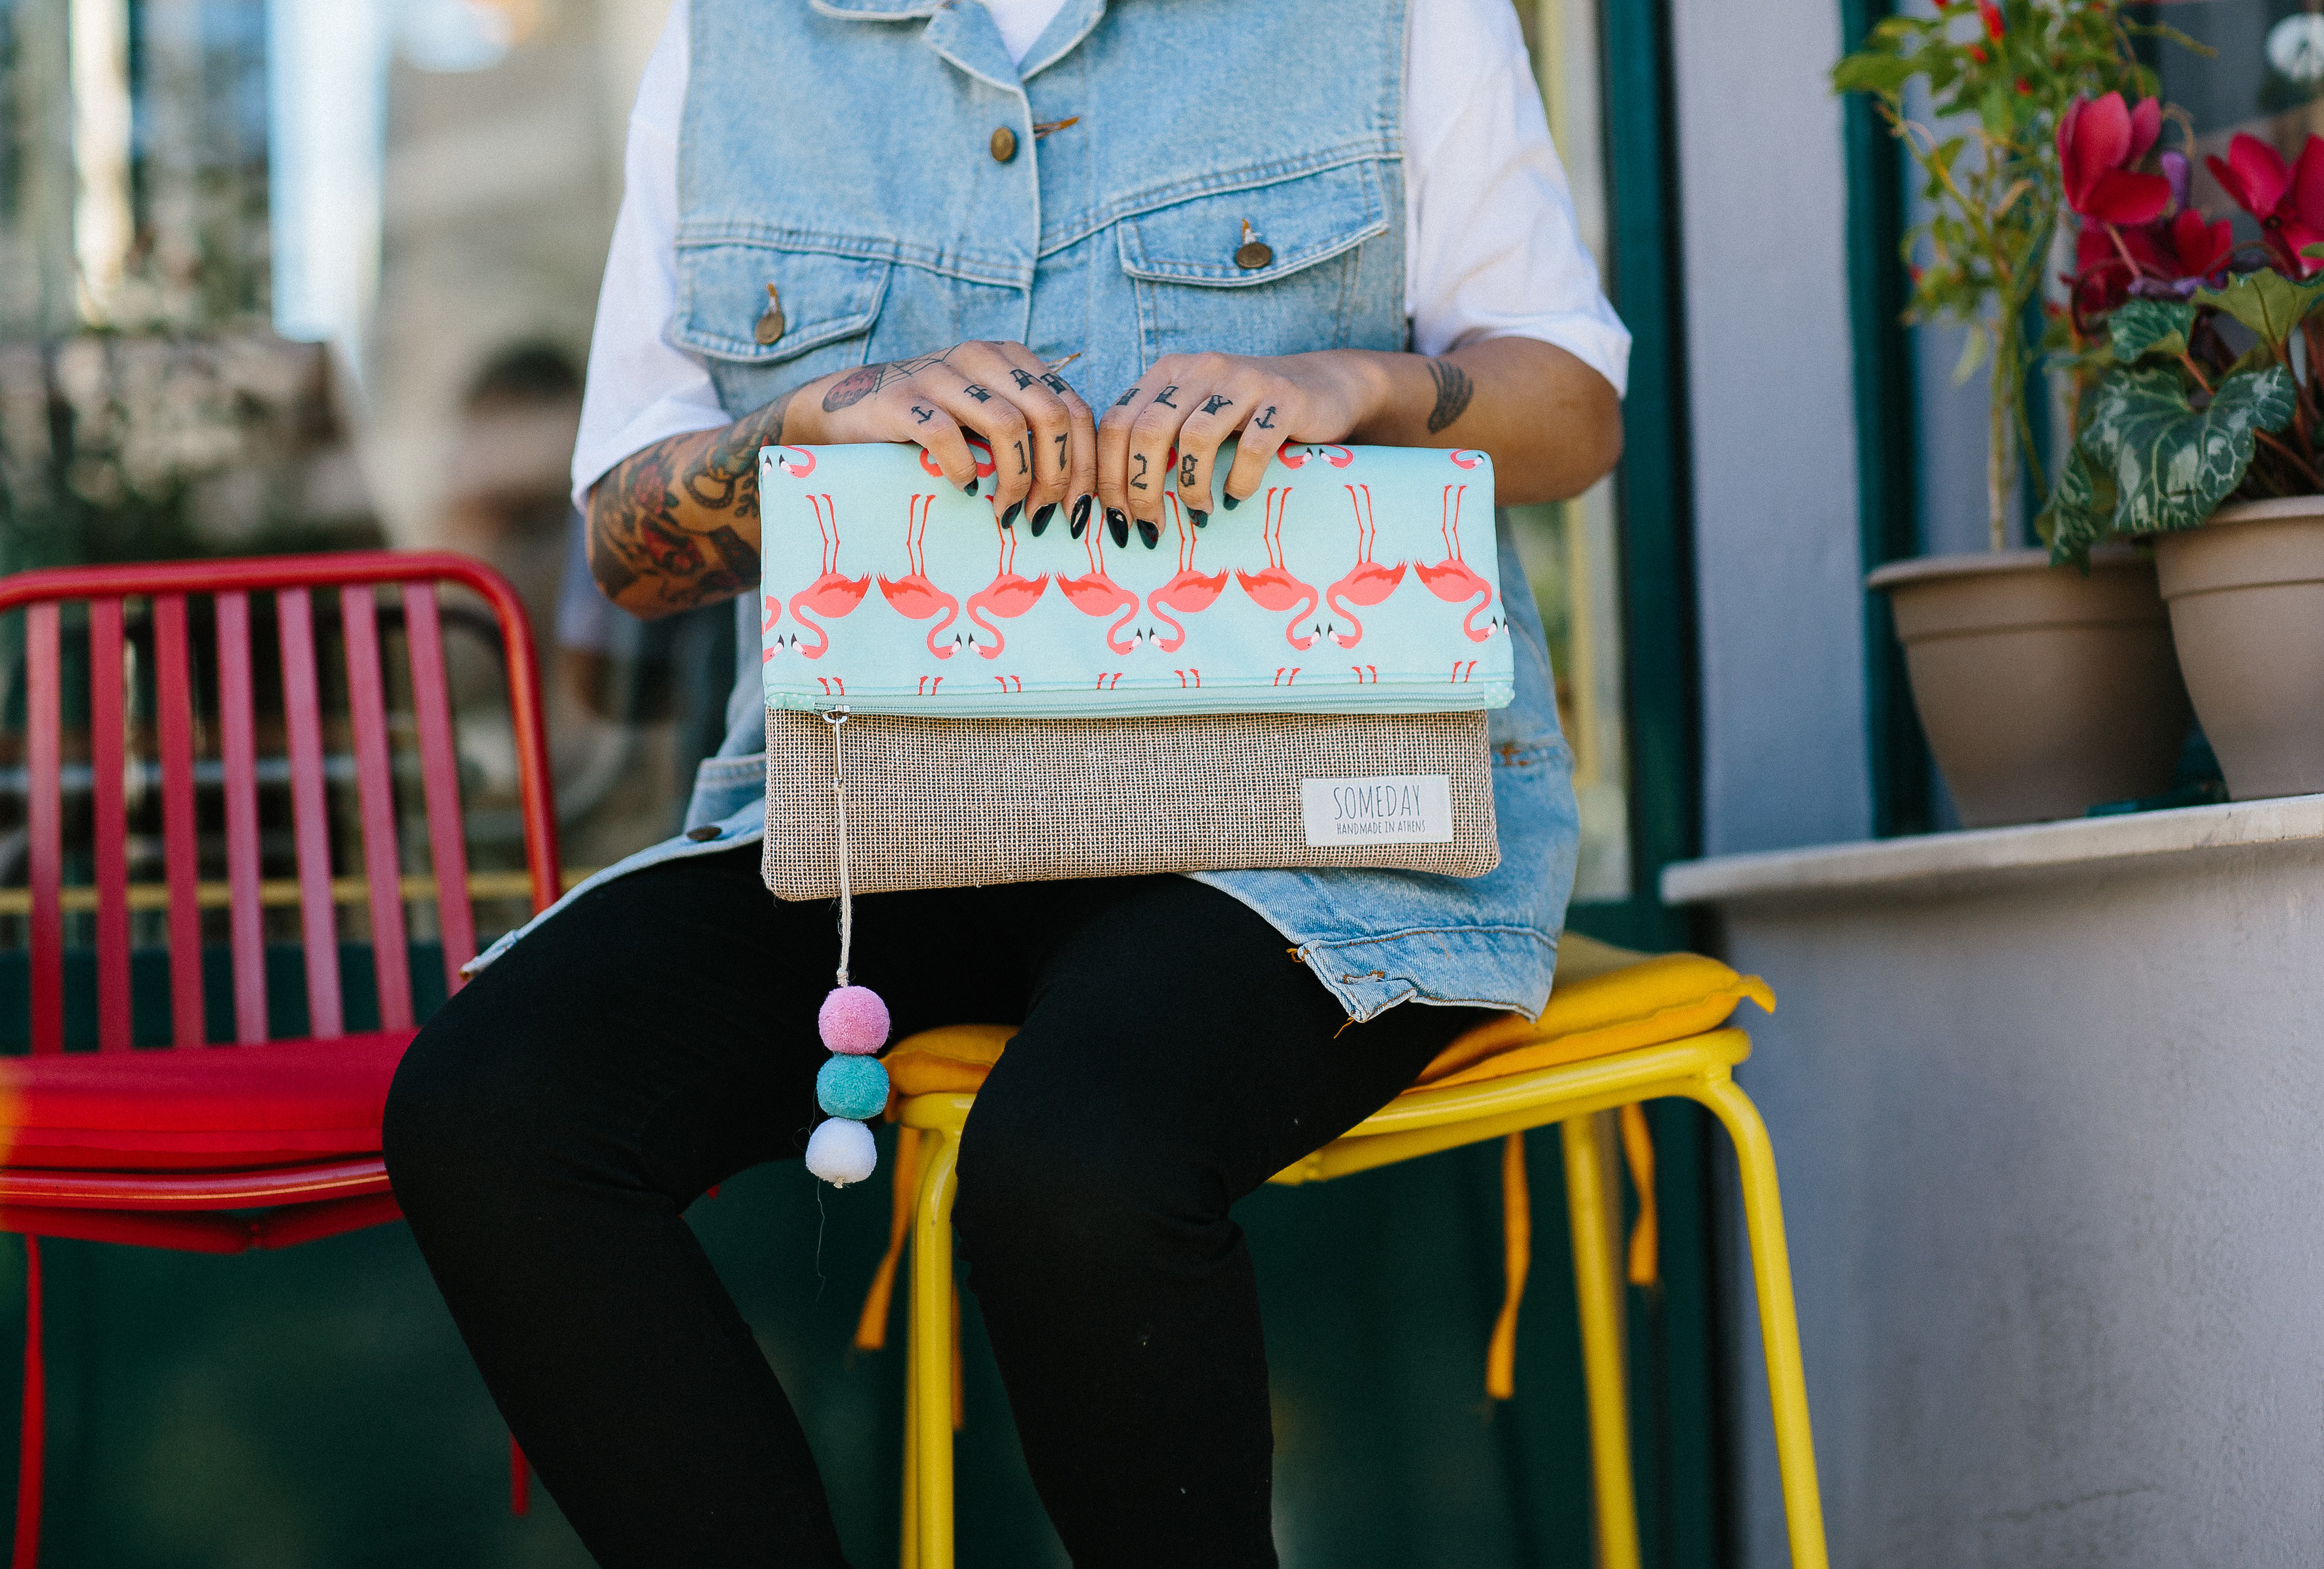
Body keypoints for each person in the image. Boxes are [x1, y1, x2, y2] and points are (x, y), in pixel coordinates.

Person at [383, 1, 1628, 1564]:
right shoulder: (733, 46)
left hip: (1306, 814)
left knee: (1079, 1168)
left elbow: (1575, 413)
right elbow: (631, 546)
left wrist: (1351, 386)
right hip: (884, 810)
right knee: (494, 1103)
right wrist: (813, 422)